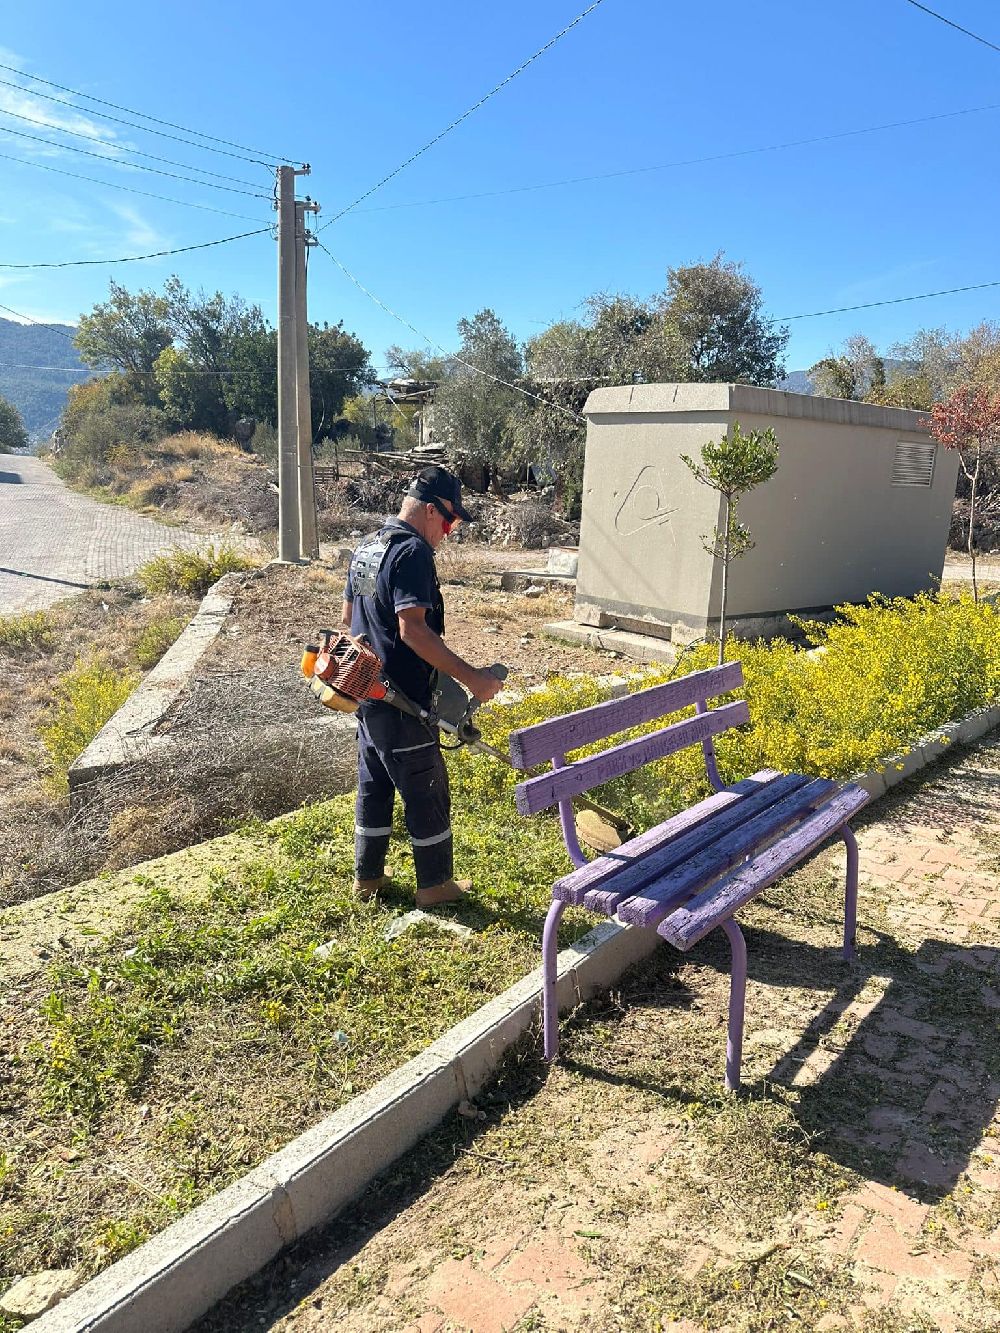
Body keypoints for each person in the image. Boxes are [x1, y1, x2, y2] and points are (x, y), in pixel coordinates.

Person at [341, 465, 502, 905]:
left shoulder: (368, 546)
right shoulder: (412, 553)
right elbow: (413, 631)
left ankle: (367, 879)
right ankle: (435, 886)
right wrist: (475, 680)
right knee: (427, 791)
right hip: (407, 701)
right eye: (450, 520)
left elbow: (348, 624)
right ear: (432, 510)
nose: (449, 531)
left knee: (374, 786)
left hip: (369, 697)